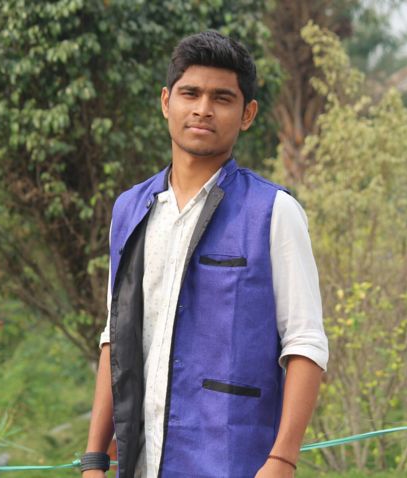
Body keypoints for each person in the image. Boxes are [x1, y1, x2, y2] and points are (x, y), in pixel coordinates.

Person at [80, 31, 328, 478]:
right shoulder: (130, 210)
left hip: (234, 463)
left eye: (222, 98)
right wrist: (95, 459)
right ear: (166, 102)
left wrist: (282, 459)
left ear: (247, 114)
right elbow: (114, 336)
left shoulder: (274, 212)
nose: (203, 109)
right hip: (139, 464)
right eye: (190, 94)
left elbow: (305, 343)